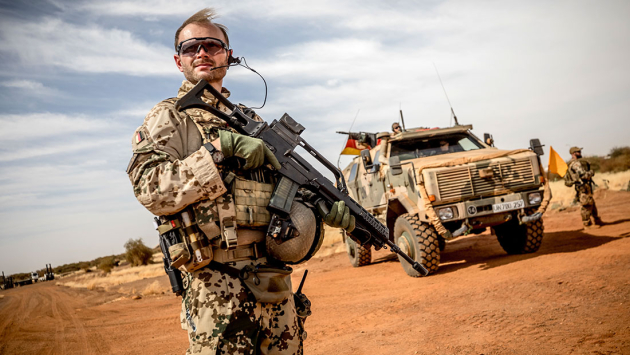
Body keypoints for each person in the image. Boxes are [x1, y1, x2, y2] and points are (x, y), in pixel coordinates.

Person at [127, 8, 353, 354]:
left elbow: (282, 192)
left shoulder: (250, 120)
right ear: (178, 60)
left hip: (273, 277)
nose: (201, 52)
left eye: (211, 45)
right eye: (191, 48)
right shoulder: (170, 116)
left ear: (228, 56)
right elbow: (151, 188)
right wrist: (219, 150)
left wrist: (320, 208)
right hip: (215, 283)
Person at [564, 147, 603, 227]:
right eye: (578, 151)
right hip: (582, 186)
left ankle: (597, 220)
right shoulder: (576, 164)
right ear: (573, 153)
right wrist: (591, 173)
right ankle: (587, 224)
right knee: (586, 205)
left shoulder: (576, 162)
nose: (580, 152)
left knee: (591, 203)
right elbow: (584, 176)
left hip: (584, 186)